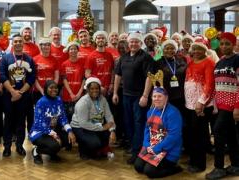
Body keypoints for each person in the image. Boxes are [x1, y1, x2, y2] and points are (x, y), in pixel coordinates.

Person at [112, 32, 153, 163]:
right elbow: (118, 75)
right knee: (128, 123)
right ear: (128, 43)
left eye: (136, 41)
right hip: (126, 96)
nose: (133, 44)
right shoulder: (123, 57)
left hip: (139, 97)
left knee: (139, 123)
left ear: (141, 43)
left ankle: (138, 152)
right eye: (131, 42)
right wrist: (115, 93)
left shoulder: (145, 57)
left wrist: (145, 96)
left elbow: (149, 77)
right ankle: (133, 147)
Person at [134, 75, 183, 178]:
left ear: (166, 98)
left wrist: (157, 148)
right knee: (138, 167)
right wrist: (146, 145)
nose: (157, 99)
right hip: (152, 146)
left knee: (150, 172)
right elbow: (147, 130)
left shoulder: (173, 113)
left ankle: (174, 168)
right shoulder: (151, 111)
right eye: (154, 96)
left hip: (168, 150)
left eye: (160, 96)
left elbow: (174, 136)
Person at [205, 32, 239, 180]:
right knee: (232, 136)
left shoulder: (238, 59)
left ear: (234, 45)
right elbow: (216, 85)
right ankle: (236, 165)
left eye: (228, 44)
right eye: (222, 43)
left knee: (218, 133)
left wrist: (237, 106)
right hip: (221, 105)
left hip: (232, 105)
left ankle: (219, 168)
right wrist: (213, 104)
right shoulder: (220, 62)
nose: (224, 46)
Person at [0, 34, 36, 157]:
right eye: (16, 41)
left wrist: (20, 93)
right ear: (12, 43)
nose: (18, 43)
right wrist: (13, 92)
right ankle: (7, 147)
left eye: (20, 41)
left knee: (21, 122)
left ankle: (20, 146)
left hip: (24, 96)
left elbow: (32, 78)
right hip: (8, 95)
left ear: (23, 44)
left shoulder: (29, 59)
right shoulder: (5, 58)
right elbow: (2, 75)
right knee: (8, 121)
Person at [184, 42, 215, 173]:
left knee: (200, 134)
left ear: (204, 51)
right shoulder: (190, 62)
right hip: (189, 104)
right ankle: (193, 159)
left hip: (201, 105)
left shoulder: (209, 62)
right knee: (192, 133)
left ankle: (200, 164)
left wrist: (201, 102)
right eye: (194, 49)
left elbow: (209, 85)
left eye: (199, 49)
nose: (196, 51)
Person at [30, 80, 76, 164]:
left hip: (53, 130)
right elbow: (40, 123)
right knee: (55, 145)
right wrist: (55, 135)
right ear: (45, 89)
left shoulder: (58, 100)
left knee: (67, 140)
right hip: (40, 132)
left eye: (55, 88)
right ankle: (36, 151)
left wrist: (69, 131)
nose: (54, 90)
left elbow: (63, 117)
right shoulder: (41, 102)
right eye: (51, 88)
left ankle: (52, 153)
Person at [71, 77, 116, 159]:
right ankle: (83, 150)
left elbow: (109, 116)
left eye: (97, 88)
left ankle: (97, 150)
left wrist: (112, 130)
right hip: (80, 127)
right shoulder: (83, 102)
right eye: (92, 88)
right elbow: (84, 123)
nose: (95, 90)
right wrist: (102, 128)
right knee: (94, 143)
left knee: (107, 135)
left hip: (95, 124)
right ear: (87, 89)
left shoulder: (103, 99)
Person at [60, 41, 85, 122]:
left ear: (78, 50)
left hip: (79, 95)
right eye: (71, 49)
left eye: (75, 49)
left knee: (79, 118)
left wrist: (79, 93)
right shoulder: (64, 64)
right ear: (68, 51)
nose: (73, 51)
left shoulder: (82, 63)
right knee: (68, 117)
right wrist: (71, 93)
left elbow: (84, 79)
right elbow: (64, 79)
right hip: (67, 95)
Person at [85, 31, 114, 97]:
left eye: (102, 38)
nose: (100, 40)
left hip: (109, 88)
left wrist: (112, 84)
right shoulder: (91, 56)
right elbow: (87, 74)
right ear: (95, 40)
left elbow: (112, 70)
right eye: (98, 38)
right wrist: (98, 86)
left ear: (105, 40)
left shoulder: (109, 55)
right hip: (96, 89)